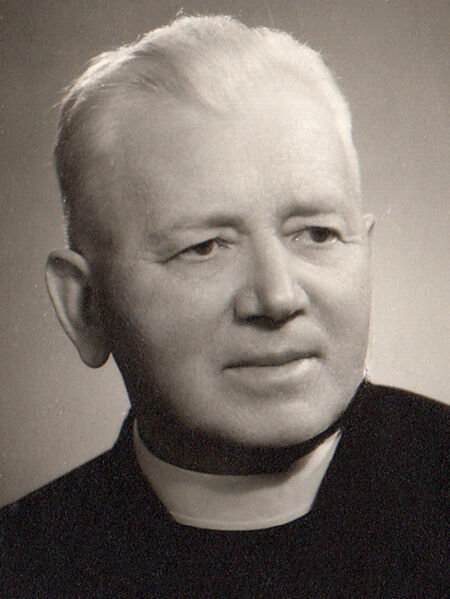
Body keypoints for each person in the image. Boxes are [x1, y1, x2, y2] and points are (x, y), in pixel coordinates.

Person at [1, 15, 447, 598]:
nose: (278, 298)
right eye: (205, 247)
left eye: (317, 234)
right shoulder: (22, 562)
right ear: (86, 307)